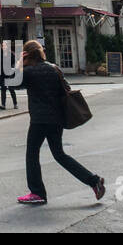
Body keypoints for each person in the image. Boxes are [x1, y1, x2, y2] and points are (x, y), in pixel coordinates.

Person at [16, 40, 105, 205]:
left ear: (28, 55)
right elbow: (66, 88)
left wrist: (19, 61)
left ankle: (37, 192)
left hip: (39, 120)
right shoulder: (54, 68)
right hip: (56, 118)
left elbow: (13, 81)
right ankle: (94, 181)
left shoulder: (29, 72)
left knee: (32, 154)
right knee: (60, 154)